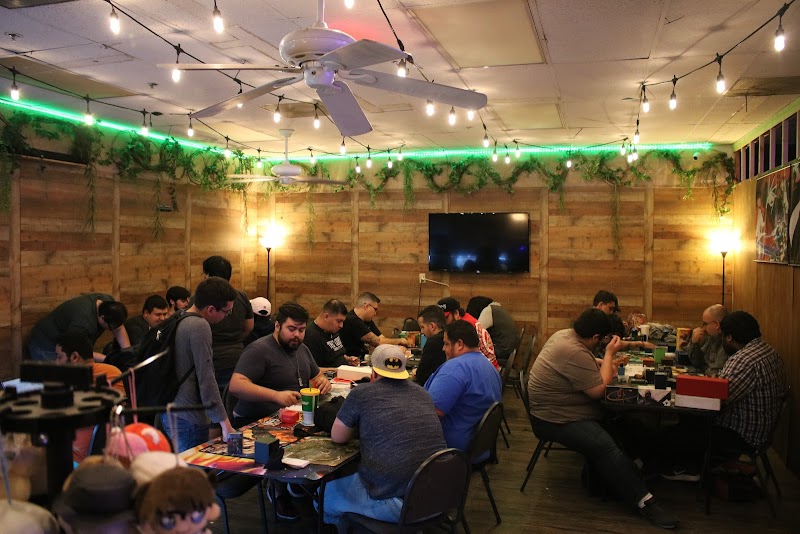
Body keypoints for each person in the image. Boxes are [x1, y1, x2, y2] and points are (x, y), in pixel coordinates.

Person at [527, 308, 678, 529]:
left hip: (563, 409)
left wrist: (608, 361)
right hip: (552, 419)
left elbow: (586, 362)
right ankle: (645, 501)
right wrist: (608, 356)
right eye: (602, 340)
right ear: (596, 337)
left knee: (625, 422)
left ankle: (635, 469)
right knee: (605, 445)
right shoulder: (571, 349)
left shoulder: (565, 335)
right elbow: (598, 391)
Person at [323, 345, 446, 528]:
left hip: (400, 505)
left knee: (323, 498)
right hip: (440, 496)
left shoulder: (361, 393)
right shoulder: (423, 393)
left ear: (373, 373)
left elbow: (338, 437)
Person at [228, 301, 331, 520]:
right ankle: (279, 491)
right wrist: (275, 396)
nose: (297, 335)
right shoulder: (258, 350)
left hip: (289, 418)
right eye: (291, 329)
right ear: (277, 326)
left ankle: (298, 484)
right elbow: (236, 385)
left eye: (301, 330)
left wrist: (322, 381)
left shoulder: (301, 348)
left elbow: (316, 375)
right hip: (256, 421)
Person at [159, 277, 237, 453]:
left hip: (171, 409)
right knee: (192, 469)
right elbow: (206, 378)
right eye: (226, 312)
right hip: (188, 415)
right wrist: (225, 424)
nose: (226, 316)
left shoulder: (180, 316)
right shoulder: (199, 326)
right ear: (210, 309)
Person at [424, 320, 502, 460]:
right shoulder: (488, 365)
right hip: (479, 447)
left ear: (459, 344)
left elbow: (432, 410)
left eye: (446, 344)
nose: (443, 349)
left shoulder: (455, 368)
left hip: (452, 450)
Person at [717, 311, 786, 452]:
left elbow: (718, 399)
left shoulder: (743, 360)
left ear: (729, 337)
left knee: (686, 428)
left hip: (742, 436)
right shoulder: (769, 351)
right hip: (761, 433)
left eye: (722, 336)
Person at [55, 333, 126, 463]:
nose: (56, 362)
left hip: (76, 460)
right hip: (111, 453)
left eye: (59, 357)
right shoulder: (114, 371)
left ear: (74, 357)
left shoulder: (73, 384)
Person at [202, 255, 254, 392]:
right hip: (237, 357)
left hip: (210, 358)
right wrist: (236, 339)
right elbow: (249, 327)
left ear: (208, 275)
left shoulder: (200, 298)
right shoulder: (241, 296)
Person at [27, 293, 130, 362]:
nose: (112, 330)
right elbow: (82, 353)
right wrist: (109, 360)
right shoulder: (82, 325)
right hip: (45, 344)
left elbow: (119, 328)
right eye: (110, 328)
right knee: (55, 381)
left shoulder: (109, 303)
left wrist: (128, 354)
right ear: (102, 318)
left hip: (66, 340)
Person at [340, 292, 410, 359]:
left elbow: (381, 338)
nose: (375, 313)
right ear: (366, 306)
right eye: (375, 309)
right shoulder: (352, 320)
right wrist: (399, 341)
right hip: (350, 362)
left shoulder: (367, 320)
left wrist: (397, 347)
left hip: (361, 360)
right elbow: (377, 342)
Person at [437, 297, 500, 371]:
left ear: (456, 313)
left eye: (446, 318)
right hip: (484, 366)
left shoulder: (464, 327)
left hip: (486, 369)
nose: (443, 323)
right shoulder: (464, 320)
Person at [303, 299, 360, 368]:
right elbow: (314, 370)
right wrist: (341, 370)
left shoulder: (332, 330)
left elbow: (334, 354)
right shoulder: (311, 336)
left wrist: (348, 359)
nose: (341, 325)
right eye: (339, 321)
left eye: (342, 322)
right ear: (326, 317)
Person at [468, 296, 518, 365]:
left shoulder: (489, 310)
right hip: (508, 350)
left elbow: (475, 332)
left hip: (501, 351)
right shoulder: (498, 309)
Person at [686, 304, 729, 376]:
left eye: (705, 324)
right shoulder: (710, 337)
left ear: (717, 324)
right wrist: (694, 344)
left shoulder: (727, 343)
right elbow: (697, 362)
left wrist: (704, 368)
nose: (703, 328)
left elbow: (714, 372)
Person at [414, 305, 447, 386]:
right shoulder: (449, 337)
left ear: (432, 326)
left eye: (422, 327)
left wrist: (416, 373)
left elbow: (421, 376)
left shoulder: (433, 343)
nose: (421, 331)